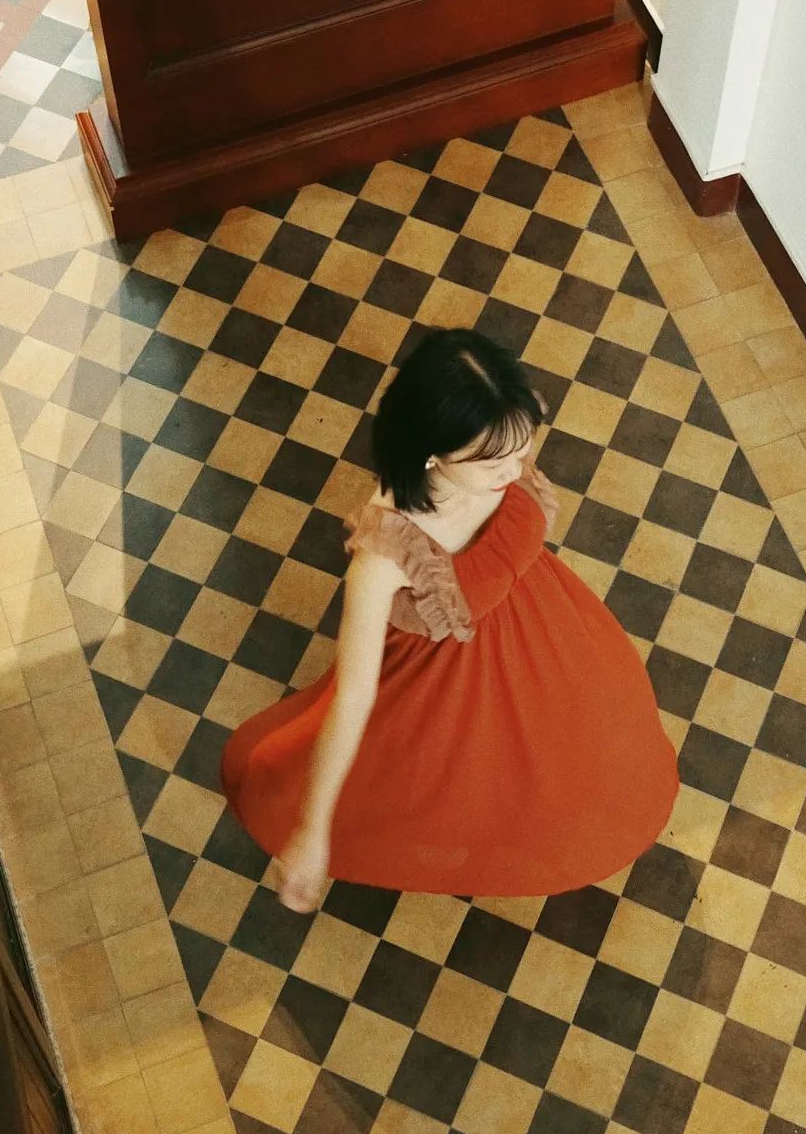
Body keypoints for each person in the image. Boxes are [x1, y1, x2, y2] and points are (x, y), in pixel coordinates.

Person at [220, 327, 680, 912]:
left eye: (521, 448)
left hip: (539, 623)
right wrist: (313, 832)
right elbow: (354, 699)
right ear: (431, 453)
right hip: (444, 679)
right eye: (493, 461)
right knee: (460, 788)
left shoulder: (500, 441)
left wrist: (505, 454)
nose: (514, 469)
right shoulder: (386, 552)